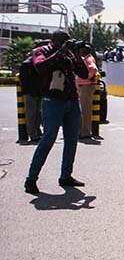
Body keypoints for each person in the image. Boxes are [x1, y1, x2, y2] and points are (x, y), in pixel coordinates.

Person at [24, 31, 89, 194]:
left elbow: (83, 74)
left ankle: (66, 176)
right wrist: (59, 53)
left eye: (66, 41)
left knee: (71, 140)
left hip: (72, 101)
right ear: (54, 41)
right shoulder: (41, 51)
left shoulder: (69, 54)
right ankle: (31, 179)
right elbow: (40, 67)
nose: (65, 43)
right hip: (52, 101)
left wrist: (77, 55)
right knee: (48, 139)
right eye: (62, 41)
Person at [75, 44, 99, 139]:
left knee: (85, 110)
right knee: (84, 109)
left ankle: (85, 132)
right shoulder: (87, 58)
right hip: (84, 86)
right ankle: (83, 130)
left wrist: (88, 77)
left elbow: (93, 69)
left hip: (86, 86)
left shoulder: (88, 59)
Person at [18, 55, 42, 144]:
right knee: (31, 114)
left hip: (38, 92)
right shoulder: (26, 64)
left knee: (38, 114)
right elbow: (24, 81)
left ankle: (37, 132)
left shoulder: (38, 63)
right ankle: (33, 134)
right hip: (30, 93)